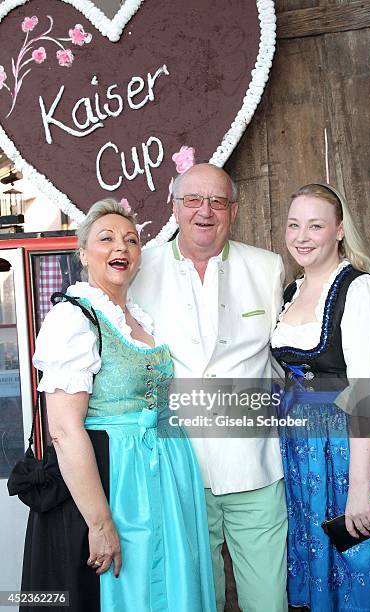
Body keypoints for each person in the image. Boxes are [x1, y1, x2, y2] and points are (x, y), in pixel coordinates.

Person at [20, 199, 216, 612]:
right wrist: (99, 521)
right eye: (106, 238)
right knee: (122, 588)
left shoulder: (141, 319)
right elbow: (64, 429)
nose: (120, 247)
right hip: (116, 479)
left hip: (164, 473)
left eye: (130, 239)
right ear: (83, 253)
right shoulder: (73, 318)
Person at [130, 163, 288, 612]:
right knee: (197, 600)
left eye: (217, 201)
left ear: (233, 211)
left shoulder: (268, 268)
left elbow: (283, 362)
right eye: (193, 200)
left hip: (254, 465)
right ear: (174, 208)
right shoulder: (142, 267)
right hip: (180, 469)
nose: (205, 211)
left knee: (268, 601)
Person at [271, 183, 370, 611]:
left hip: (349, 451)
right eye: (294, 225)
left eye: (315, 225)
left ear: (339, 230)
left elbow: (368, 396)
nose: (302, 236)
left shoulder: (360, 291)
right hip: (301, 451)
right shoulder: (291, 292)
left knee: (358, 559)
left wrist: (359, 487)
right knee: (321, 568)